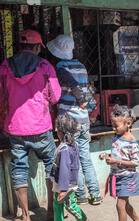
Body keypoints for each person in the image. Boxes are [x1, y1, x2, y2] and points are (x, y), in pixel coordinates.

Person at [0, 29, 62, 221]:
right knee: (51, 166)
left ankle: (25, 215)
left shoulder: (6, 65)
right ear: (38, 47)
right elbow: (55, 97)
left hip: (16, 128)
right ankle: (50, 210)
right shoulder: (45, 66)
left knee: (19, 167)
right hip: (41, 126)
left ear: (20, 47)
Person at [47, 34, 102, 206]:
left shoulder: (60, 67)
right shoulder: (81, 66)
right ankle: (95, 193)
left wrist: (80, 99)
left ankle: (81, 195)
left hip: (69, 121)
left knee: (73, 159)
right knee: (85, 156)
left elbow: (71, 85)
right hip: (84, 119)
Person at [99, 105, 139, 221]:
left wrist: (116, 161)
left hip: (127, 177)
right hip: (116, 176)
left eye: (116, 126)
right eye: (112, 125)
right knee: (126, 204)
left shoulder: (132, 143)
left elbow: (135, 163)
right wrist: (106, 156)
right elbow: (117, 154)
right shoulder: (115, 137)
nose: (114, 128)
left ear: (128, 124)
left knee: (120, 205)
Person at [43, 114, 92, 221]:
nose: (55, 131)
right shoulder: (72, 144)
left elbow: (65, 169)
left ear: (61, 131)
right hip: (62, 182)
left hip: (65, 184)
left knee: (70, 205)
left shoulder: (64, 148)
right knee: (57, 204)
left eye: (57, 129)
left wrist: (63, 189)